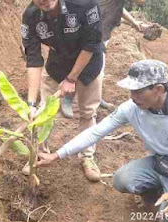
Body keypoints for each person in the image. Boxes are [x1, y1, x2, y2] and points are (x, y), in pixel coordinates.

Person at [38, 59, 168, 222]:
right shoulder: (132, 108)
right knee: (122, 180)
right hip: (160, 162)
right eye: (131, 90)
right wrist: (57, 154)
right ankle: (157, 191)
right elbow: (95, 132)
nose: (132, 96)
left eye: (138, 91)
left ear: (159, 89)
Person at [20, 0, 105, 181]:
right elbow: (33, 58)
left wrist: (71, 78)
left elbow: (91, 44)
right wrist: (30, 103)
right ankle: (38, 153)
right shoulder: (31, 15)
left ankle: (87, 156)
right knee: (43, 111)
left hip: (89, 63)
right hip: (57, 63)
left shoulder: (85, 4)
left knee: (88, 112)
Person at [60, 0, 151, 118]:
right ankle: (68, 98)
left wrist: (134, 23)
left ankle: (96, 96)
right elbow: (140, 1)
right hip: (90, 33)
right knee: (80, 65)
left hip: (103, 33)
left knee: (98, 69)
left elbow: (118, 9)